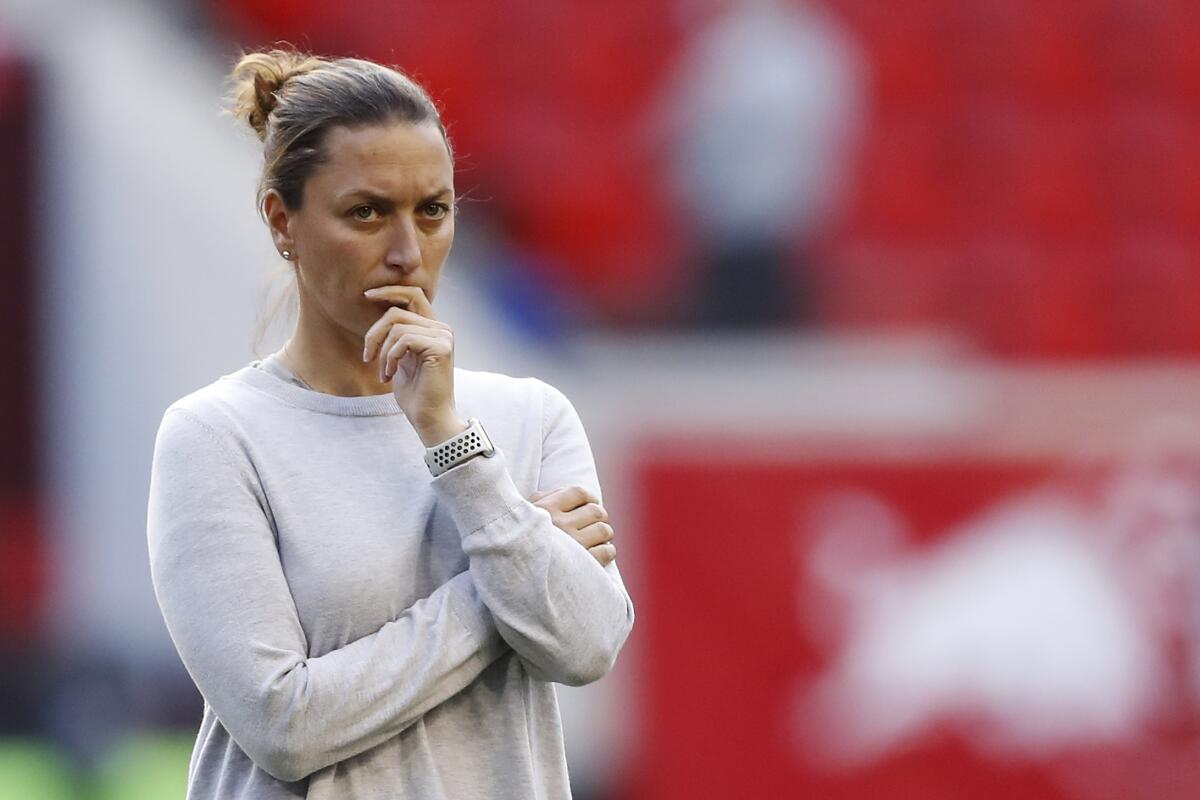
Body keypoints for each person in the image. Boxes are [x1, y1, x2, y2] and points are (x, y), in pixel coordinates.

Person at [146, 49, 634, 799]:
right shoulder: (216, 437)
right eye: (366, 212)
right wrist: (499, 585)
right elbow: (285, 725)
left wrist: (450, 439)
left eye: (432, 211)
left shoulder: (532, 416)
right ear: (283, 220)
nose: (408, 253)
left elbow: (585, 645)